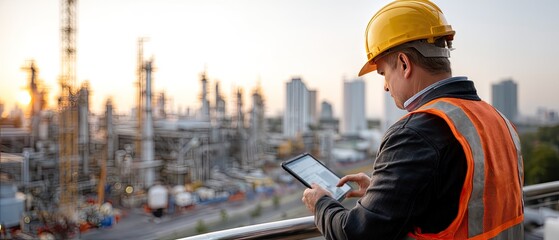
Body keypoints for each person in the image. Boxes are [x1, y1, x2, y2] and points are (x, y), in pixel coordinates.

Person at [301, 0, 524, 239]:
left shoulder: (416, 132)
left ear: (404, 64)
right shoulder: (497, 120)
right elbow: (459, 199)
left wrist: (321, 204)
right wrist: (382, 194)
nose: (386, 86)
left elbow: (356, 234)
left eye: (384, 74)